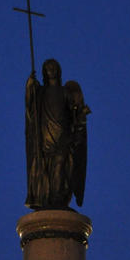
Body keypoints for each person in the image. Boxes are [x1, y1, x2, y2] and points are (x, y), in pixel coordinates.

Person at [25, 58, 90, 209]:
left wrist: (81, 117)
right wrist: (29, 87)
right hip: (45, 136)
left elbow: (73, 114)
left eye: (54, 67)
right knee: (47, 167)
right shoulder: (41, 92)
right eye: (48, 68)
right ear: (44, 72)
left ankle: (58, 198)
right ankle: (47, 198)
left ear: (58, 70)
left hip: (63, 136)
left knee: (60, 165)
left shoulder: (65, 92)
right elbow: (31, 108)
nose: (51, 70)